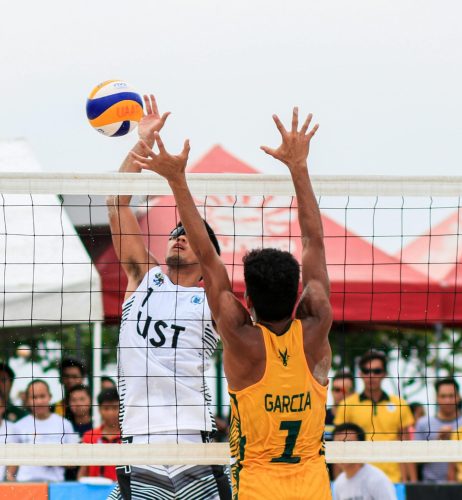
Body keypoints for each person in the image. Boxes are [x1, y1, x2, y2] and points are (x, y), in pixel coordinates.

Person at [133, 107, 333, 499]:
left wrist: (176, 181)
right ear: (299, 296)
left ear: (247, 302)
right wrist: (299, 167)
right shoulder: (316, 326)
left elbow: (208, 258)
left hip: (258, 487)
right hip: (313, 487)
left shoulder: (242, 339)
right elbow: (315, 242)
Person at [106, 95, 230, 500]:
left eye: (188, 235)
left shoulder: (212, 297)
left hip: (194, 439)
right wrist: (141, 141)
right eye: (174, 231)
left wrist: (181, 185)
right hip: (137, 439)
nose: (178, 236)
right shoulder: (143, 277)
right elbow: (115, 202)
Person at [334, 350, 416, 483]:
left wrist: (412, 482)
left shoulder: (399, 404)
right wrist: (337, 482)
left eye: (377, 371)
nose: (371, 376)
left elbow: (406, 448)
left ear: (384, 374)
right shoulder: (346, 405)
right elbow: (339, 448)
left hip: (392, 479)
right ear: (360, 374)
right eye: (366, 371)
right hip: (357, 478)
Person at [6, 379, 78, 482]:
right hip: (26, 484)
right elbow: (11, 465)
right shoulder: (18, 426)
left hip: (55, 485)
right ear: (27, 400)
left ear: (50, 397)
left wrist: (52, 458)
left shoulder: (65, 424)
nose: (39, 401)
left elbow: (73, 463)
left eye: (42, 396)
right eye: (34, 397)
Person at [414, 377, 462, 482]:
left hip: (461, 485)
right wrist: (438, 441)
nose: (447, 400)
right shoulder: (423, 423)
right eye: (443, 396)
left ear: (459, 397)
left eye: (451, 396)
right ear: (436, 398)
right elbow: (416, 459)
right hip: (430, 485)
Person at [332, 423, 397, 500]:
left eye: (348, 444)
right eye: (338, 445)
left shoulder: (377, 479)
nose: (342, 450)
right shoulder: (338, 484)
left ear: (361, 447)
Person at [78, 388, 121, 482]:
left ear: (121, 408)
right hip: (94, 490)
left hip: (121, 491)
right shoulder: (89, 436)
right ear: (99, 409)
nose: (111, 413)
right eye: (106, 408)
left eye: (114, 408)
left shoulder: (128, 437)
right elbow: (83, 470)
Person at [325, 370, 355, 441]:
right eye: (337, 390)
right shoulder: (320, 417)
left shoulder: (358, 418)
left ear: (353, 393)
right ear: (332, 391)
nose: (341, 394)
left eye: (345, 390)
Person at [0, 391, 17, 480]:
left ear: (2, 408)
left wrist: (9, 478)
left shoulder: (11, 428)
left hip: (3, 482)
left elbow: (14, 457)